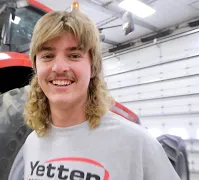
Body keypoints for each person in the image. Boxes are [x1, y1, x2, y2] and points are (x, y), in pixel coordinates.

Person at [22, 9, 181, 180]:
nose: (59, 67)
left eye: (74, 55)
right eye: (47, 56)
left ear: (93, 68)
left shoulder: (136, 143)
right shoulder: (32, 143)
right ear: (36, 67)